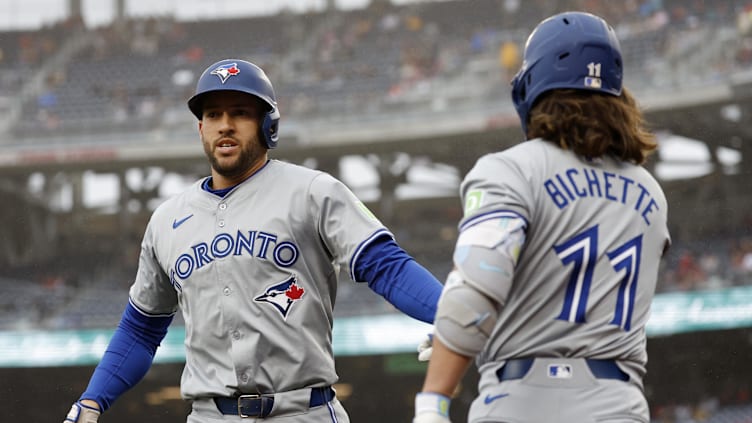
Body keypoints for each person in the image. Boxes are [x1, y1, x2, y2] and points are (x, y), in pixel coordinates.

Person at [62, 58, 443, 423]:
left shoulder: (312, 191)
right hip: (210, 416)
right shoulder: (166, 220)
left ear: (268, 125)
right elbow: (141, 329)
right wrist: (92, 399)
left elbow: (385, 265)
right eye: (213, 115)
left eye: (240, 113)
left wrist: (450, 316)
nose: (225, 125)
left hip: (304, 411)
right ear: (200, 129)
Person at [413, 11, 671, 423]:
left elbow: (476, 290)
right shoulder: (650, 193)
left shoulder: (510, 169)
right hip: (620, 405)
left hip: (522, 401)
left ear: (533, 86)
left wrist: (433, 400)